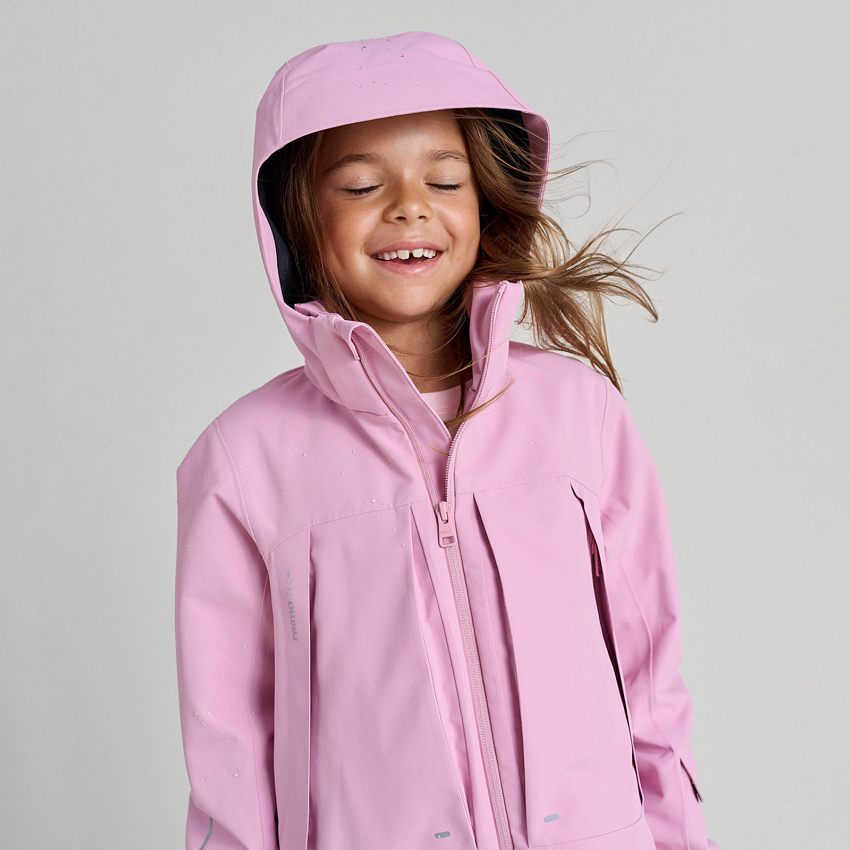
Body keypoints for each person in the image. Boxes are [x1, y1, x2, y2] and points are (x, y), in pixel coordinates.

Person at [174, 30, 721, 850]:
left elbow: (649, 677)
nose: (409, 206)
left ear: (485, 200)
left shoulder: (580, 411)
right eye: (362, 185)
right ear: (296, 220)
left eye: (444, 179)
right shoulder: (243, 460)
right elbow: (230, 751)